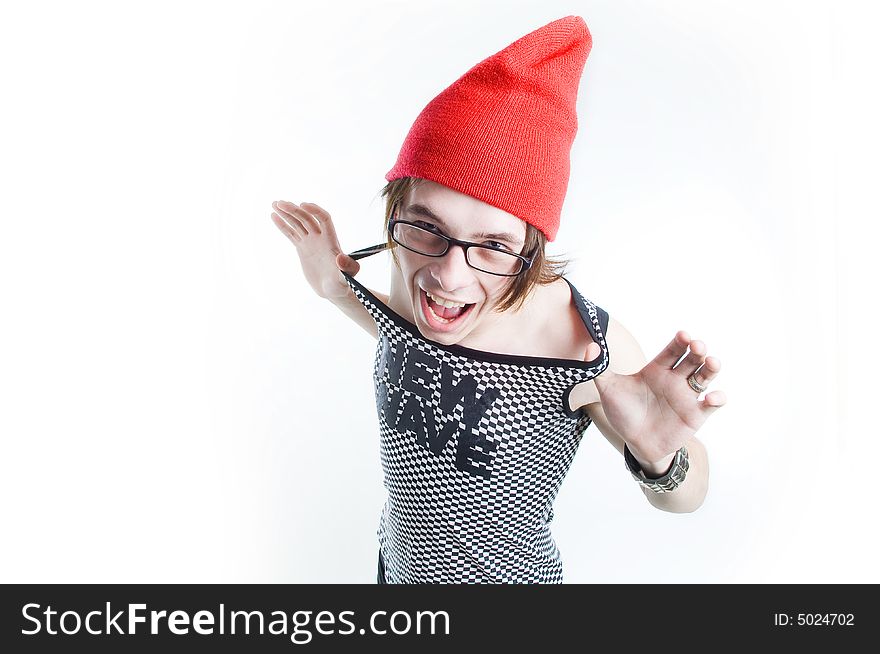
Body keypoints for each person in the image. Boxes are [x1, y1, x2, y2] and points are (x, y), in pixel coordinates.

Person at [270, 15, 726, 583]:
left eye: (492, 245)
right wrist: (336, 290)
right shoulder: (409, 272)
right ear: (396, 215)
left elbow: (685, 499)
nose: (449, 279)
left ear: (532, 247)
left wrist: (661, 458)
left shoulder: (579, 341)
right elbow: (415, 347)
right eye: (425, 227)